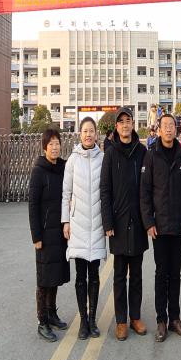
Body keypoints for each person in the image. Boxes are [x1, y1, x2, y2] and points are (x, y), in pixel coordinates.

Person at [140, 114, 181, 342]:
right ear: (159, 130)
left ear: (176, 129)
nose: (169, 129)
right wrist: (149, 222)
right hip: (159, 226)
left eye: (172, 125)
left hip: (178, 224)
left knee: (176, 273)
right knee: (161, 273)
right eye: (165, 126)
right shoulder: (151, 155)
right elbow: (144, 192)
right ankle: (161, 320)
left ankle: (175, 318)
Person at [101, 106, 149, 341]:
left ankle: (135, 317)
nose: (125, 125)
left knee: (136, 274)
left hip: (138, 220)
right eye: (121, 121)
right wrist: (107, 221)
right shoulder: (110, 153)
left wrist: (148, 219)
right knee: (120, 275)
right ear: (116, 127)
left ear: (132, 124)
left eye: (128, 120)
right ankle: (121, 320)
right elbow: (105, 189)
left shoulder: (142, 151)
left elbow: (148, 186)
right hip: (118, 222)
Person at [62, 117, 107, 340]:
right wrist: (66, 221)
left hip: (97, 224)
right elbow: (66, 194)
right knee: (81, 276)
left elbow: (107, 192)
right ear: (80, 134)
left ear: (96, 134)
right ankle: (82, 320)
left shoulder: (103, 159)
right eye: (85, 131)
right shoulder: (72, 160)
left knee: (94, 276)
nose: (88, 134)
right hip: (78, 224)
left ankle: (92, 319)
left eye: (91, 131)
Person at [29, 128, 70, 342]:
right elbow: (33, 206)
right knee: (44, 279)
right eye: (51, 144)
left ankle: (52, 313)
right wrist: (36, 236)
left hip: (60, 233)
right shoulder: (38, 171)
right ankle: (42, 321)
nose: (54, 147)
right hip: (44, 235)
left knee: (54, 276)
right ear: (44, 147)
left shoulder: (63, 168)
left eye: (57, 143)